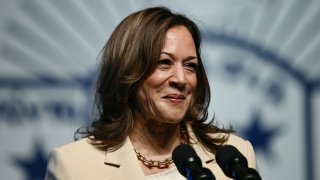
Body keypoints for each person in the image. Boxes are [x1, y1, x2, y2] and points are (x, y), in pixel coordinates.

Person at [45, 6, 258, 180]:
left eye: (190, 66)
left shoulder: (237, 158)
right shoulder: (72, 166)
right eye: (164, 63)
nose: (181, 79)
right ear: (128, 72)